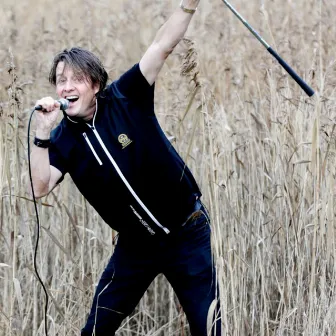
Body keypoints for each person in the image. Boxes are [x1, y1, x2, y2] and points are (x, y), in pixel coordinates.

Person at [29, 0, 221, 334]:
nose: (66, 87)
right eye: (61, 81)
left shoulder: (126, 97)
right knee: (95, 330)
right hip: (135, 248)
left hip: (187, 232)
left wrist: (188, 5)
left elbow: (162, 46)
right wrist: (42, 134)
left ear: (96, 85)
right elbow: (39, 187)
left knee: (209, 328)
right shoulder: (62, 139)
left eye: (76, 79)